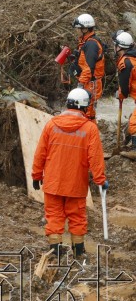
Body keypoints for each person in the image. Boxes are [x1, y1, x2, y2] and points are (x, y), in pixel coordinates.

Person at [32, 88, 107, 260]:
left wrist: (36, 175)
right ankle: (78, 254)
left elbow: (40, 153)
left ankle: (55, 253)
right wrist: (100, 180)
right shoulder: (89, 129)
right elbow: (95, 158)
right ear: (84, 106)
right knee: (77, 218)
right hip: (76, 185)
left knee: (54, 217)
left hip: (53, 183)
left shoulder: (52, 125)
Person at [70, 13, 104, 119]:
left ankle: (89, 134)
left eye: (78, 28)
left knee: (87, 113)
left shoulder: (91, 44)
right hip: (87, 82)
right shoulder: (86, 43)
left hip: (90, 84)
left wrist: (80, 84)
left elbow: (89, 68)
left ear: (85, 29)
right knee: (86, 113)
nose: (76, 31)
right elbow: (84, 62)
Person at [115, 31, 136, 148]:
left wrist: (120, 94)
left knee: (134, 123)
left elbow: (124, 90)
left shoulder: (126, 62)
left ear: (119, 47)